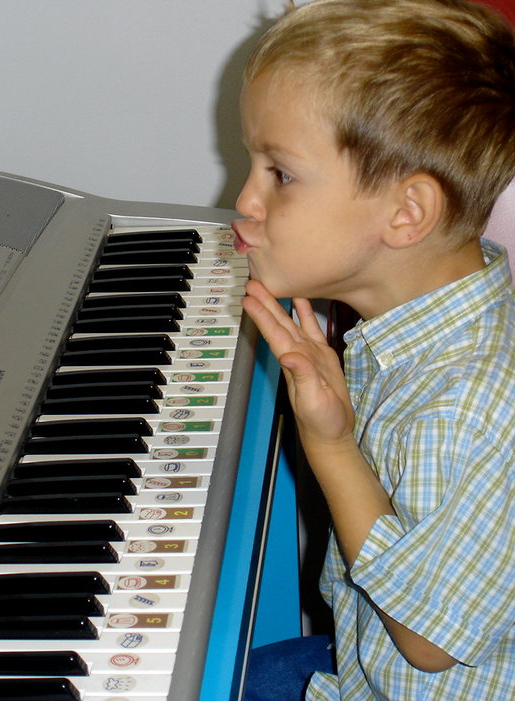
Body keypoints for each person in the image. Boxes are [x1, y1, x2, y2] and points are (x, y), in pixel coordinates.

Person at [231, 0, 515, 698]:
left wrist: (331, 446)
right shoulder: (424, 322)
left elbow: (429, 641)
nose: (244, 201)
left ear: (406, 214)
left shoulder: (471, 407)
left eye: (279, 174)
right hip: (360, 661)